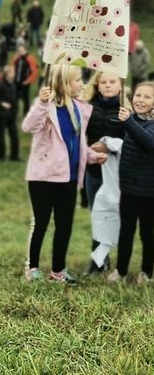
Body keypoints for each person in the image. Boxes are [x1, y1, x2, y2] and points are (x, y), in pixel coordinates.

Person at [22, 65, 106, 283]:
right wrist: (40, 104)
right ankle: (32, 268)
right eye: (77, 80)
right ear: (64, 84)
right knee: (40, 223)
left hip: (68, 178)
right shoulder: (46, 106)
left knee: (65, 224)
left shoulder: (80, 108)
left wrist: (93, 156)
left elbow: (77, 145)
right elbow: (28, 126)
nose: (81, 83)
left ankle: (58, 271)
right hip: (43, 177)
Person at [108, 82, 154, 285]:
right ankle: (121, 270)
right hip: (127, 188)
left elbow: (148, 143)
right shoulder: (130, 119)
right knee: (125, 231)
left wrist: (128, 122)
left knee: (147, 233)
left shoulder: (145, 124)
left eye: (147, 97)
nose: (140, 100)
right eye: (138, 95)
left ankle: (147, 272)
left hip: (149, 191)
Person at [83, 72, 127, 274]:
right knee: (97, 214)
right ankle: (99, 260)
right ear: (97, 85)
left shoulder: (126, 111)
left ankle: (122, 262)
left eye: (112, 81)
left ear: (120, 85)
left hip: (118, 172)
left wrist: (108, 146)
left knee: (116, 215)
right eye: (104, 82)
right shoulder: (87, 107)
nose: (108, 85)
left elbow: (132, 141)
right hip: (93, 170)